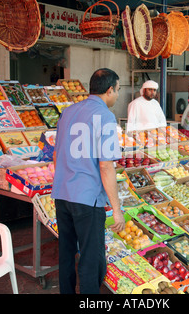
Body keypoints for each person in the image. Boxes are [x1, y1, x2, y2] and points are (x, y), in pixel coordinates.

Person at [51, 68, 125, 294]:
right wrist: (116, 207)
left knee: (66, 254)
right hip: (87, 199)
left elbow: (56, 154)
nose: (118, 96)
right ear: (110, 90)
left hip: (62, 194)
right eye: (118, 90)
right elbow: (105, 165)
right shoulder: (105, 116)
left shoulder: (68, 111)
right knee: (90, 260)